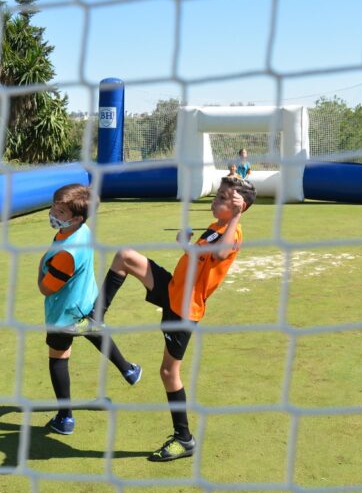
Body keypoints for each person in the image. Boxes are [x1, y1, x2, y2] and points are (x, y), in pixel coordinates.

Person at [97, 176, 256, 461]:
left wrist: (236, 216)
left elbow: (220, 253)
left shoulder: (233, 232)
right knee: (125, 256)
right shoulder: (216, 227)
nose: (215, 200)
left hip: (185, 309)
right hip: (172, 290)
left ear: (238, 207)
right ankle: (96, 318)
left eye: (223, 198)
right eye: (218, 194)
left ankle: (184, 438)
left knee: (169, 372)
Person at [39, 184, 142, 435]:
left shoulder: (66, 254)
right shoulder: (83, 230)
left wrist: (40, 267)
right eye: (54, 207)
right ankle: (128, 370)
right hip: (85, 304)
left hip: (63, 315)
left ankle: (65, 418)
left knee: (58, 358)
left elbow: (46, 288)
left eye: (60, 212)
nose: (53, 213)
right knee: (93, 329)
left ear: (76, 218)